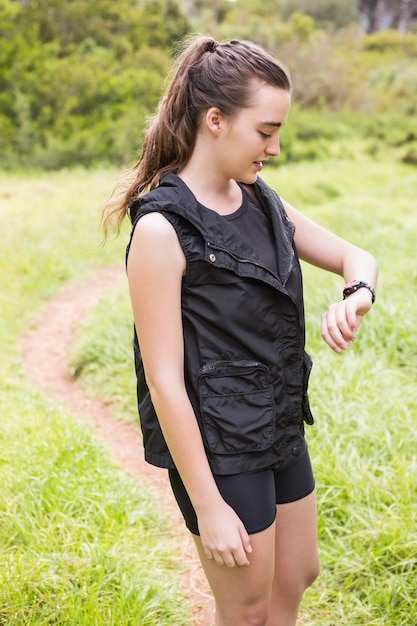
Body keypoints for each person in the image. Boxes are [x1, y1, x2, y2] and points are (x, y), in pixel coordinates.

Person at [104, 35, 378, 626]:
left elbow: (357, 257)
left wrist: (358, 295)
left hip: (277, 421)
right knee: (247, 609)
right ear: (216, 121)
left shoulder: (262, 201)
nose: (275, 148)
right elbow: (164, 382)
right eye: (266, 131)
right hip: (218, 446)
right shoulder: (162, 231)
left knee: (297, 573)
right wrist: (209, 505)